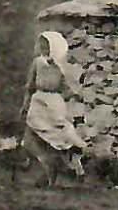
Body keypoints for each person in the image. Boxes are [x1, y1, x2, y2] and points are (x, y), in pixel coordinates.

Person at [18, 31, 86, 186]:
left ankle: (70, 162)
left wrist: (75, 97)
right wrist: (25, 105)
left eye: (47, 45)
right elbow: (30, 86)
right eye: (42, 45)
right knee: (30, 137)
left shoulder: (62, 67)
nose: (44, 48)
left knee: (58, 138)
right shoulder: (37, 63)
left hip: (54, 105)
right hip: (38, 103)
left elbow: (68, 89)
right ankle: (42, 166)